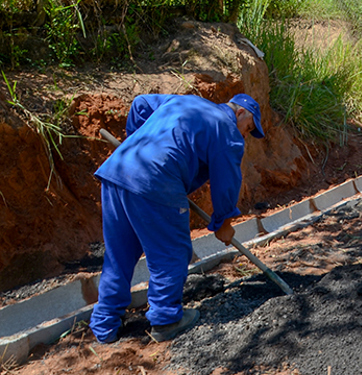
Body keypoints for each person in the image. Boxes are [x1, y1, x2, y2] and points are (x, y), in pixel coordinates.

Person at [89, 93, 265, 344]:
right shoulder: (227, 130)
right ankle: (166, 319)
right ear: (240, 113)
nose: (245, 135)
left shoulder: (187, 102)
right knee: (171, 252)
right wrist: (224, 222)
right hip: (155, 181)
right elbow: (227, 181)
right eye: (248, 128)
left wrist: (137, 143)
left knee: (119, 254)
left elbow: (141, 104)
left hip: (119, 170)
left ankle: (104, 324)